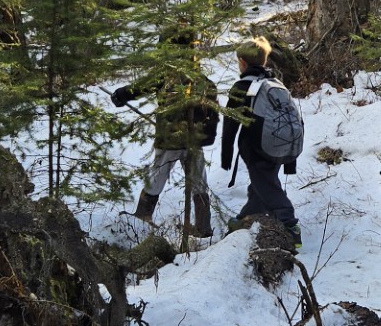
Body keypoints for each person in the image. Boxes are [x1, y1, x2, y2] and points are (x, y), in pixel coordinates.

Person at [111, 27, 219, 237]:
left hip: (170, 140)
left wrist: (121, 94)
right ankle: (203, 226)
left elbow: (140, 87)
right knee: (198, 180)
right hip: (194, 141)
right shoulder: (200, 79)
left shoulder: (167, 76)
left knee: (158, 175)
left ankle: (143, 215)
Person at [221, 35, 303, 247]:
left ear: (243, 62)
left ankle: (289, 225)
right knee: (262, 183)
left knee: (266, 185)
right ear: (264, 60)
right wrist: (290, 160)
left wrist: (226, 155)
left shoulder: (242, 86)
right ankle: (245, 219)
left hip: (256, 147)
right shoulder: (275, 83)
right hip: (279, 145)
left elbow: (230, 122)